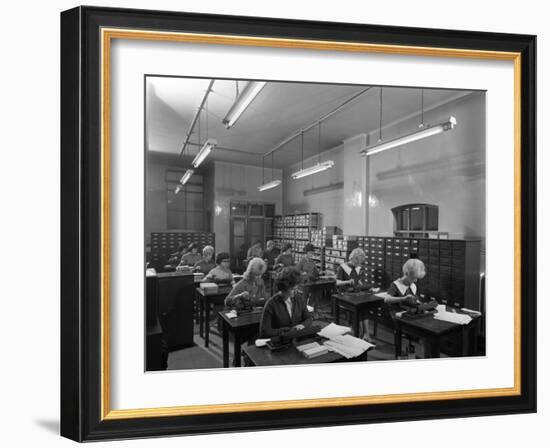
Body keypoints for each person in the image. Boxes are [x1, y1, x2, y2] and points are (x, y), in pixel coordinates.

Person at [259, 267, 312, 338]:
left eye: (297, 288)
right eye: (293, 289)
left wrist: (303, 325)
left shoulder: (299, 299)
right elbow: (265, 332)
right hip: (281, 342)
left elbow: (308, 318)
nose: (296, 291)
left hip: (297, 338)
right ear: (284, 287)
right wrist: (287, 331)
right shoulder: (271, 304)